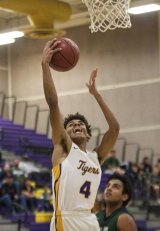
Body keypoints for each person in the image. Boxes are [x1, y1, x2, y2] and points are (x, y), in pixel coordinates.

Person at [41, 38, 119, 231]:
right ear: (64, 133)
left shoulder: (95, 157)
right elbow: (53, 103)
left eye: (81, 124)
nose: (77, 125)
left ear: (87, 133)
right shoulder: (64, 149)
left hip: (89, 220)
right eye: (71, 125)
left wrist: (96, 95)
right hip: (65, 220)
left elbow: (115, 129)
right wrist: (45, 65)